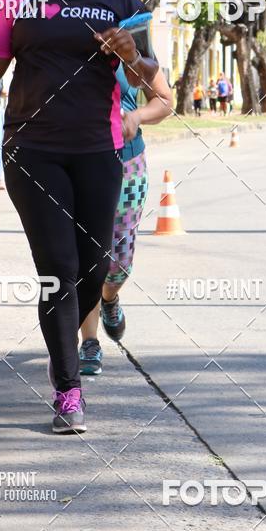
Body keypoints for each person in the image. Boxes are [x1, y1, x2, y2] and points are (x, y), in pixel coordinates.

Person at [0, 0, 160, 434]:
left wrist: (130, 56)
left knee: (92, 269)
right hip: (33, 152)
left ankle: (80, 351)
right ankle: (68, 391)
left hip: (101, 153)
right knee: (59, 270)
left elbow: (152, 81)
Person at [79, 64, 172, 375]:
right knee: (86, 257)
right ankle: (89, 341)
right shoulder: (64, 28)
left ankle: (109, 297)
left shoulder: (133, 35)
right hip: (78, 160)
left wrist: (137, 116)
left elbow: (164, 99)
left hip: (128, 161)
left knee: (118, 265)